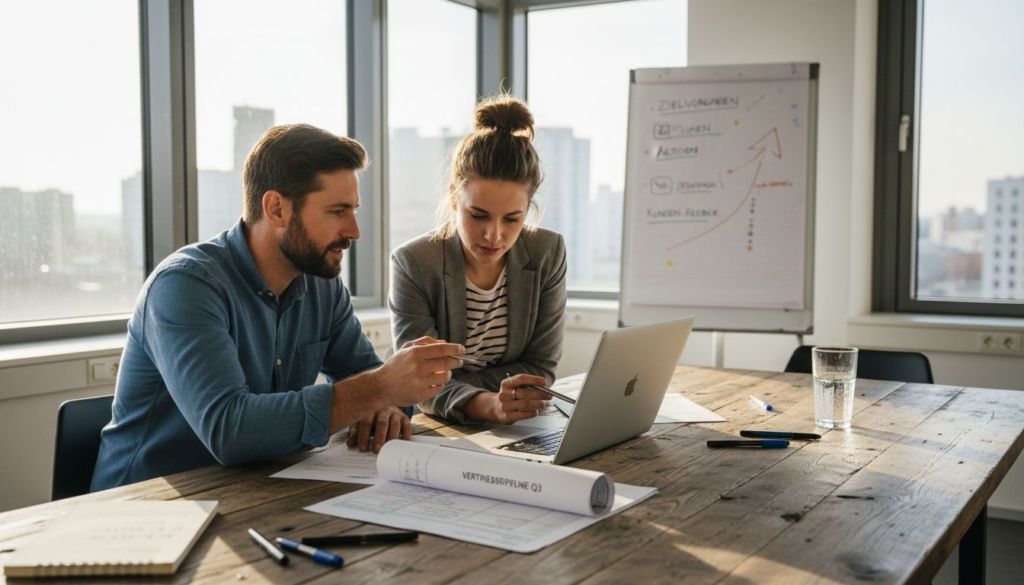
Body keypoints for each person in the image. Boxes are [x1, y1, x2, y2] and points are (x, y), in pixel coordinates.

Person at [92, 124, 464, 491]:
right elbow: (230, 431)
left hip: (253, 492)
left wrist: (386, 404)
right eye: (337, 211)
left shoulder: (322, 285)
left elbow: (366, 376)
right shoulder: (184, 286)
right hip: (142, 509)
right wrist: (379, 389)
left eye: (354, 210)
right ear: (276, 209)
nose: (354, 231)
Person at [389, 95, 567, 424]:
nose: (493, 235)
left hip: (515, 422)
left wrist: (462, 389)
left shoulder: (547, 252)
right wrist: (488, 404)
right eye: (479, 215)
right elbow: (419, 380)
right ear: (455, 198)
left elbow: (541, 368)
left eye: (512, 219)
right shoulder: (413, 263)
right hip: (438, 427)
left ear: (528, 209)